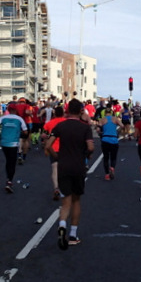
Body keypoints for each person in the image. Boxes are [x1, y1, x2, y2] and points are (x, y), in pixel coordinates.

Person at [46, 99, 94, 250]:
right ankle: (73, 235)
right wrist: (87, 154)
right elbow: (91, 147)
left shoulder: (61, 125)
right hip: (78, 166)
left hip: (63, 166)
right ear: (80, 111)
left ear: (67, 111)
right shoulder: (85, 127)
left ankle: (62, 225)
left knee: (65, 201)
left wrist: (57, 157)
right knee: (76, 200)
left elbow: (48, 145)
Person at [0, 103, 28, 193]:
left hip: (4, 142)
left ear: (8, 110)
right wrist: (19, 132)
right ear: (16, 110)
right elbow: (25, 132)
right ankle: (9, 181)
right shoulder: (19, 119)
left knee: (8, 160)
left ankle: (8, 178)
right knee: (12, 162)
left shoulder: (3, 118)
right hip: (13, 143)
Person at [42, 105, 66, 200]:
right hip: (65, 148)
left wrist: (48, 138)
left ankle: (56, 188)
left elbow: (43, 135)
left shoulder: (49, 123)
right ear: (63, 113)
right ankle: (64, 188)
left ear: (54, 114)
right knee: (65, 169)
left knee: (55, 168)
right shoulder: (66, 122)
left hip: (53, 148)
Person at [99, 107, 121, 180]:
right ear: (111, 113)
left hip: (105, 139)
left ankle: (107, 175)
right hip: (114, 139)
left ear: (105, 113)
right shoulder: (115, 119)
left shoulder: (102, 119)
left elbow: (98, 129)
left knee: (106, 157)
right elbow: (122, 126)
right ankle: (112, 167)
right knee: (113, 157)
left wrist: (101, 134)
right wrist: (118, 132)